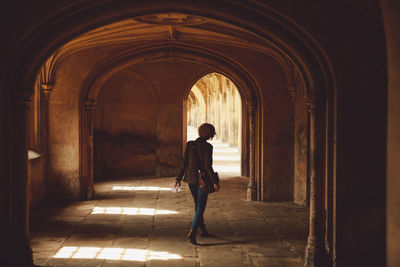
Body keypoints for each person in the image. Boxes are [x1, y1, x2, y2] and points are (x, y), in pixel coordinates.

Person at [175, 123, 220, 245]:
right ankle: (193, 231)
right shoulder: (208, 147)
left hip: (191, 179)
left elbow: (184, 164)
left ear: (199, 132)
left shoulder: (190, 144)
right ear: (210, 135)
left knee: (197, 204)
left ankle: (202, 229)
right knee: (200, 206)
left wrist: (178, 178)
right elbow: (207, 166)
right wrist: (215, 182)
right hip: (203, 180)